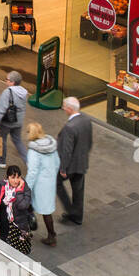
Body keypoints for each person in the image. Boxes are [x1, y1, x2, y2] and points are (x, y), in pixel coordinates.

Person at [56, 96, 93, 227]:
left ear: (70, 109)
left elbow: (66, 150)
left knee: (57, 183)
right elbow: (89, 142)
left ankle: (70, 210)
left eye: (64, 107)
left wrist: (63, 168)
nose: (63, 109)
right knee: (78, 189)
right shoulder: (86, 120)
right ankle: (78, 216)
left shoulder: (69, 127)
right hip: (82, 162)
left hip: (70, 165)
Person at [25, 121, 60, 247]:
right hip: (49, 182)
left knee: (30, 206)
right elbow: (57, 163)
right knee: (46, 210)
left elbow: (32, 172)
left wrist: (26, 187)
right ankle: (50, 234)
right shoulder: (51, 146)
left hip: (39, 185)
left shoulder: (34, 151)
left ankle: (50, 236)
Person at [0, 70, 29, 168]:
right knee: (18, 141)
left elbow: (2, 109)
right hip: (18, 121)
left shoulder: (8, 92)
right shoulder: (24, 92)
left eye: (7, 79)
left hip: (7, 121)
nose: (6, 81)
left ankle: (1, 161)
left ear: (12, 82)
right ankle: (28, 161)